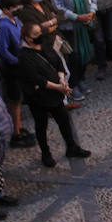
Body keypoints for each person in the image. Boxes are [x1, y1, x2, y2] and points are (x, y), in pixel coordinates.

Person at [15, 21, 89, 168]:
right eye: (35, 34)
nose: (39, 36)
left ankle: (72, 147)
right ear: (27, 38)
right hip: (38, 97)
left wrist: (61, 79)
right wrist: (59, 87)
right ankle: (46, 153)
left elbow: (58, 63)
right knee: (41, 125)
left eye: (39, 33)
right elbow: (37, 79)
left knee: (64, 120)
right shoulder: (24, 56)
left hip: (55, 93)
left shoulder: (45, 45)